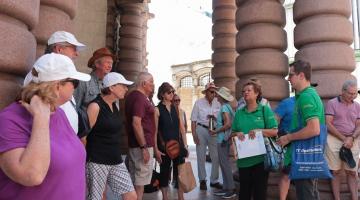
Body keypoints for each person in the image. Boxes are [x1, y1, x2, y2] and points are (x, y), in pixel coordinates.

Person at [0, 53, 90, 199]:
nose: (75, 88)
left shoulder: (59, 113)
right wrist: (41, 118)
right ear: (57, 86)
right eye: (74, 82)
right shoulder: (10, 119)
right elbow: (31, 175)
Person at [278, 60, 325, 200]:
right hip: (308, 156)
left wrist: (288, 137)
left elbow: (314, 129)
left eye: (291, 75)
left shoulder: (306, 97)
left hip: (304, 157)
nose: (288, 79)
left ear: (301, 76)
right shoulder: (307, 95)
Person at [86, 72, 136, 200]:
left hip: (115, 159)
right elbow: (84, 136)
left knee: (131, 195)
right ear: (111, 87)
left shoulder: (114, 105)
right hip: (97, 160)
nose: (126, 88)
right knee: (98, 197)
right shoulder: (95, 106)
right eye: (123, 85)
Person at [23, 31, 86, 134]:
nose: (77, 54)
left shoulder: (62, 74)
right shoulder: (39, 75)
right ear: (59, 49)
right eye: (73, 49)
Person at [232, 81, 278, 200]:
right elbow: (232, 134)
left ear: (257, 93)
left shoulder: (264, 110)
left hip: (260, 160)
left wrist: (260, 131)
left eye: (249, 90)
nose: (245, 93)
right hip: (243, 161)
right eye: (244, 91)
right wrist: (237, 133)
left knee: (260, 193)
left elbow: (274, 131)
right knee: (244, 193)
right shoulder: (238, 113)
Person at [274, 82, 318, 200]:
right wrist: (281, 136)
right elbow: (274, 121)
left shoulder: (312, 101)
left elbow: (315, 127)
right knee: (286, 175)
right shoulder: (287, 103)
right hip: (289, 146)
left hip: (307, 147)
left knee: (309, 180)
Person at [325, 80, 360, 200]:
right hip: (334, 139)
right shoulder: (332, 103)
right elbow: (328, 124)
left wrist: (351, 138)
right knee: (335, 172)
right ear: (343, 91)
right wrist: (344, 138)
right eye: (350, 93)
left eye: (355, 93)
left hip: (352, 140)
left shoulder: (357, 106)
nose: (353, 96)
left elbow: (359, 125)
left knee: (352, 172)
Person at [154, 82, 188, 200]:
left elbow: (182, 128)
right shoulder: (157, 110)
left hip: (178, 145)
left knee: (180, 172)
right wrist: (156, 149)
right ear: (163, 94)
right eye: (169, 92)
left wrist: (186, 145)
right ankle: (165, 197)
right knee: (164, 172)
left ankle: (180, 197)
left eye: (173, 91)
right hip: (164, 147)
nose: (172, 94)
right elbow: (155, 131)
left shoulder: (176, 108)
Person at [125, 72, 155, 200]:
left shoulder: (132, 96)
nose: (153, 85)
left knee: (135, 182)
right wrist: (143, 148)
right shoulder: (139, 98)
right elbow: (136, 123)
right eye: (151, 82)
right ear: (144, 83)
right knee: (139, 184)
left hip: (136, 146)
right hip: (141, 146)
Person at [190, 82, 222, 190]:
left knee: (215, 156)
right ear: (206, 92)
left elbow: (222, 118)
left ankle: (214, 180)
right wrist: (194, 134)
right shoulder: (198, 103)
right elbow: (193, 120)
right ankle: (202, 180)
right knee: (201, 156)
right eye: (212, 91)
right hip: (201, 129)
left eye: (215, 92)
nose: (214, 94)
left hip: (214, 131)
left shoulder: (218, 103)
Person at [210, 87, 237, 199]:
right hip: (225, 139)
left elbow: (228, 124)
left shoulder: (224, 107)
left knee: (225, 165)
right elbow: (226, 122)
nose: (216, 96)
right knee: (224, 164)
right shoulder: (228, 107)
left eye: (217, 94)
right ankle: (226, 188)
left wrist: (215, 131)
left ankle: (231, 189)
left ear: (221, 96)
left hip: (222, 139)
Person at [74, 47, 114, 120]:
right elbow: (74, 108)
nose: (110, 66)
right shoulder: (84, 82)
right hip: (89, 129)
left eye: (111, 63)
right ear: (97, 64)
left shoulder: (109, 85)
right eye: (107, 62)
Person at [171, 93, 187, 187]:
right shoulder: (170, 112)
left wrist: (185, 144)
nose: (177, 102)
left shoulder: (182, 112)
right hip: (172, 141)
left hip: (180, 141)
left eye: (178, 100)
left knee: (180, 162)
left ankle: (179, 181)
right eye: (175, 100)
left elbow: (185, 127)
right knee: (173, 162)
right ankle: (174, 179)